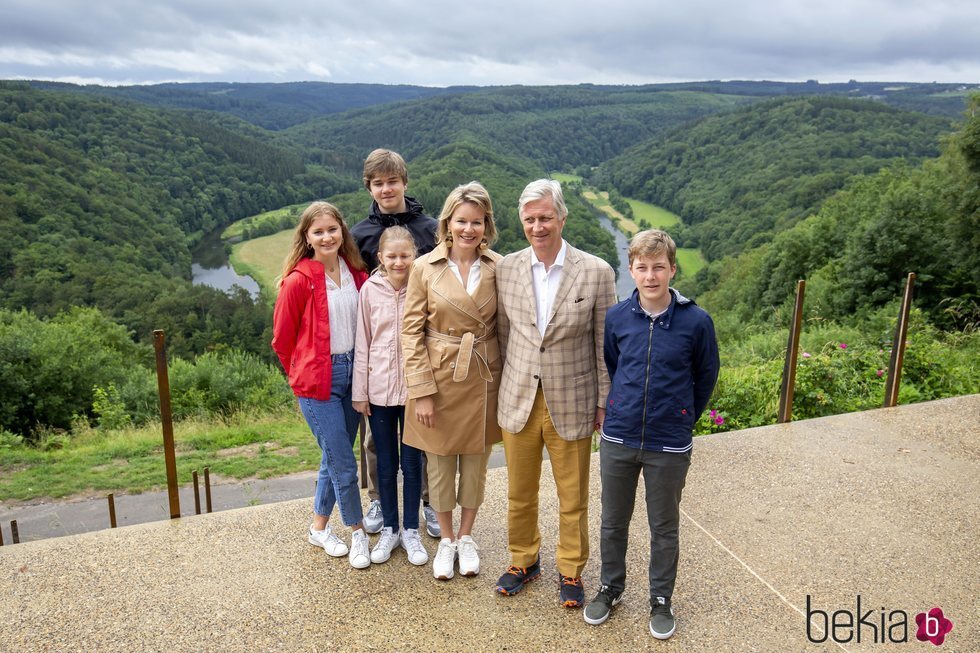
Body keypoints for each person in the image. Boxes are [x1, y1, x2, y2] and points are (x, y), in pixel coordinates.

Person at [584, 229, 719, 640]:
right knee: (613, 521)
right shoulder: (618, 316)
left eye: (658, 267)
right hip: (620, 436)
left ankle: (661, 598)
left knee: (664, 526)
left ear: (672, 269)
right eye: (641, 267)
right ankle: (611, 588)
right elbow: (613, 362)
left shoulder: (696, 321)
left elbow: (705, 376)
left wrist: (682, 417)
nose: (650, 275)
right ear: (631, 270)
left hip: (668, 443)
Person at [494, 179, 617, 608]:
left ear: (562, 218)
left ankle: (571, 569)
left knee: (573, 496)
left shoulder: (597, 271)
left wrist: (604, 401)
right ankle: (523, 561)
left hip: (575, 399)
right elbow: (505, 336)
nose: (538, 226)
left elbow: (606, 343)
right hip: (519, 399)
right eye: (530, 219)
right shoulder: (506, 268)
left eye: (545, 217)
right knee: (519, 491)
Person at [401, 181, 503, 581]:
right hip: (439, 378)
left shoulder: (499, 266)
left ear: (486, 225)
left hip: (483, 375)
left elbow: (508, 327)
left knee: (476, 464)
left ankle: (466, 537)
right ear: (448, 222)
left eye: (476, 222)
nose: (468, 229)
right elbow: (410, 333)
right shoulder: (424, 267)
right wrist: (422, 391)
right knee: (440, 465)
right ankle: (445, 539)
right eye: (462, 220)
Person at [271, 201, 372, 569]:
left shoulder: (357, 273)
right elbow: (282, 341)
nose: (327, 236)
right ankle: (357, 532)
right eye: (318, 231)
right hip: (318, 383)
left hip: (353, 374)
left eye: (332, 229)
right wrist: (301, 373)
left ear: (342, 232)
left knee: (335, 457)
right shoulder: (299, 280)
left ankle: (317, 528)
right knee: (345, 464)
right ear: (307, 237)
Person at [351, 148, 441, 540]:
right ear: (369, 187)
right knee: (375, 438)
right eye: (378, 183)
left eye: (392, 181)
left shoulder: (430, 229)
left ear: (405, 182)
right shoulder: (359, 234)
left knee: (424, 434)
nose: (386, 189)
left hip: (422, 351)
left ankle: (427, 501)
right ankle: (378, 498)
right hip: (380, 352)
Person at [351, 226, 429, 567]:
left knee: (412, 463)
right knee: (384, 462)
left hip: (413, 389)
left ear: (415, 256)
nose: (399, 262)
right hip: (379, 389)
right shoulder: (370, 290)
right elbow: (362, 342)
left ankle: (411, 528)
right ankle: (390, 530)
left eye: (405, 255)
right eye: (392, 256)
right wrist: (360, 392)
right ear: (380, 258)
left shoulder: (422, 285)